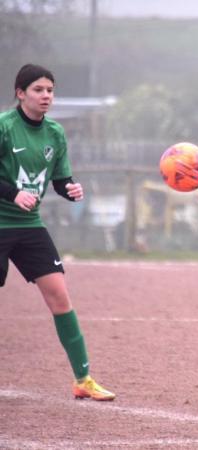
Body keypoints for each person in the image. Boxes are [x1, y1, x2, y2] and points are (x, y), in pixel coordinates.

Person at [0, 64, 115, 401]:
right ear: (20, 93)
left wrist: (71, 189)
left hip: (29, 225)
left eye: (50, 90)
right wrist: (11, 194)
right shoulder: (4, 127)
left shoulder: (55, 132)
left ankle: (83, 379)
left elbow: (59, 179)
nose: (46, 95)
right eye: (38, 89)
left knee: (60, 297)